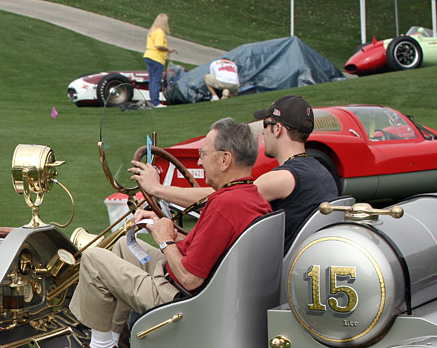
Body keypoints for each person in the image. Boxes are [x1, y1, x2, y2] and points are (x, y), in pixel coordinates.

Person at [57, 118, 271, 348]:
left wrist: (165, 238)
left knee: (93, 257)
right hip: (201, 291)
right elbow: (208, 249)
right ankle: (112, 343)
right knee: (123, 248)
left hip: (180, 300)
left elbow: (190, 278)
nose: (200, 162)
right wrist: (160, 225)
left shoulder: (226, 205)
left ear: (225, 160)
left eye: (204, 154)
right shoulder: (250, 197)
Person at [130, 95, 338, 251]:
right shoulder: (320, 171)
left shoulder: (285, 178)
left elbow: (224, 199)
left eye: (266, 124)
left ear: (278, 129)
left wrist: (156, 188)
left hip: (278, 272)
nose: (264, 131)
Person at [143, 14, 174, 109]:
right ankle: (155, 102)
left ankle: (153, 100)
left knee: (152, 80)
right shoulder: (160, 32)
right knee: (156, 80)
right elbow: (159, 46)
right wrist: (168, 49)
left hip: (149, 55)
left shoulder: (152, 31)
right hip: (156, 58)